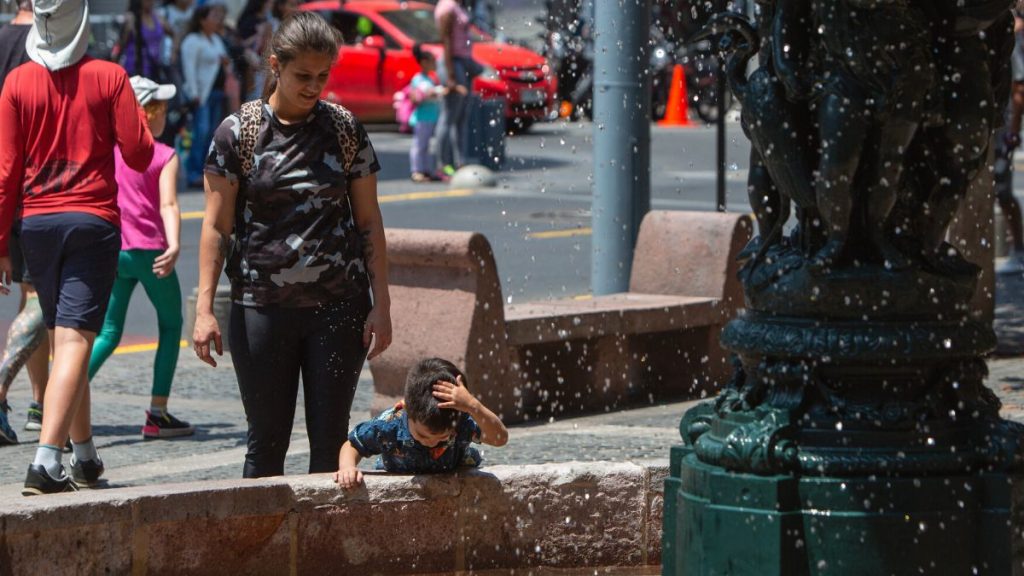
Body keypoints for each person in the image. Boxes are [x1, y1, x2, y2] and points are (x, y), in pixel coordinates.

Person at [193, 12, 392, 478]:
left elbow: (369, 221)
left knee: (330, 445)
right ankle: (263, 550)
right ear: (275, 64)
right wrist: (203, 310)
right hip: (261, 308)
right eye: (303, 75)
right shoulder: (237, 133)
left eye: (323, 76)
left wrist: (381, 304)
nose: (313, 86)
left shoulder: (344, 129)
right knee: (265, 445)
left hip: (339, 309)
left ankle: (322, 551)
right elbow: (216, 228)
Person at [0, 0, 155, 495]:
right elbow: (138, 152)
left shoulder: (17, 83)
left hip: (37, 225)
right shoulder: (109, 76)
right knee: (73, 340)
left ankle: (85, 456)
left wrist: (1, 243)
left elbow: (5, 174)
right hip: (92, 221)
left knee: (69, 335)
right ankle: (47, 462)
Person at [87, 76, 194, 440]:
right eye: (160, 108)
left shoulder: (110, 152)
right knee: (171, 325)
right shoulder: (163, 155)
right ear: (147, 114)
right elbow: (168, 204)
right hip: (151, 252)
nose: (165, 114)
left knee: (108, 331)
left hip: (117, 251)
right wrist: (175, 244)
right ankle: (157, 413)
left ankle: (63, 398)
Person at [334, 358, 508, 489]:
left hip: (455, 467)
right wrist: (347, 468)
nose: (432, 442)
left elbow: (499, 438)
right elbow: (352, 444)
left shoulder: (460, 421)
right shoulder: (389, 426)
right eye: (423, 435)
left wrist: (473, 406)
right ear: (407, 409)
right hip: (397, 470)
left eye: (443, 437)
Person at [0, 0, 49, 446]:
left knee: (26, 293)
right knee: (38, 295)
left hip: (4, 181)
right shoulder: (46, 43)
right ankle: (29, 399)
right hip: (37, 183)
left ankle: (39, 403)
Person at [180, 3, 231, 187]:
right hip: (202, 95)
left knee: (211, 133)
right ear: (202, 20)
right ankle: (193, 172)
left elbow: (225, 61)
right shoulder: (192, 41)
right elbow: (189, 69)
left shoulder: (216, 39)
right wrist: (194, 94)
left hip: (216, 93)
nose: (217, 20)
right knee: (200, 133)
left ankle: (204, 170)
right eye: (213, 16)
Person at [435, 0, 476, 177]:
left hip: (462, 62)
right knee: (450, 116)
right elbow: (446, 40)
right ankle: (442, 163)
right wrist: (451, 76)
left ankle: (460, 161)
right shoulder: (448, 8)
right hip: (454, 63)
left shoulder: (456, 5)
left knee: (461, 117)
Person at [997, 8, 1024, 275]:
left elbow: (1019, 90)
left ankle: (1019, 248)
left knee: (1002, 188)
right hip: (989, 123)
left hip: (1001, 128)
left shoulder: (1008, 36)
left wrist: (1011, 133)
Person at [408, 44, 451, 183]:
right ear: (424, 63)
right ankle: (416, 171)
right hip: (422, 118)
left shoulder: (431, 78)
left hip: (431, 117)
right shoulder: (418, 78)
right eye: (433, 61)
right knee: (420, 145)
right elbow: (427, 92)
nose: (435, 64)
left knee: (427, 146)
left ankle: (426, 170)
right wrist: (441, 91)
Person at [115, 0, 170, 82]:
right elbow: (120, 44)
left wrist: (173, 54)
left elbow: (174, 34)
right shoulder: (131, 19)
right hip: (134, 71)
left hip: (154, 71)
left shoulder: (158, 18)